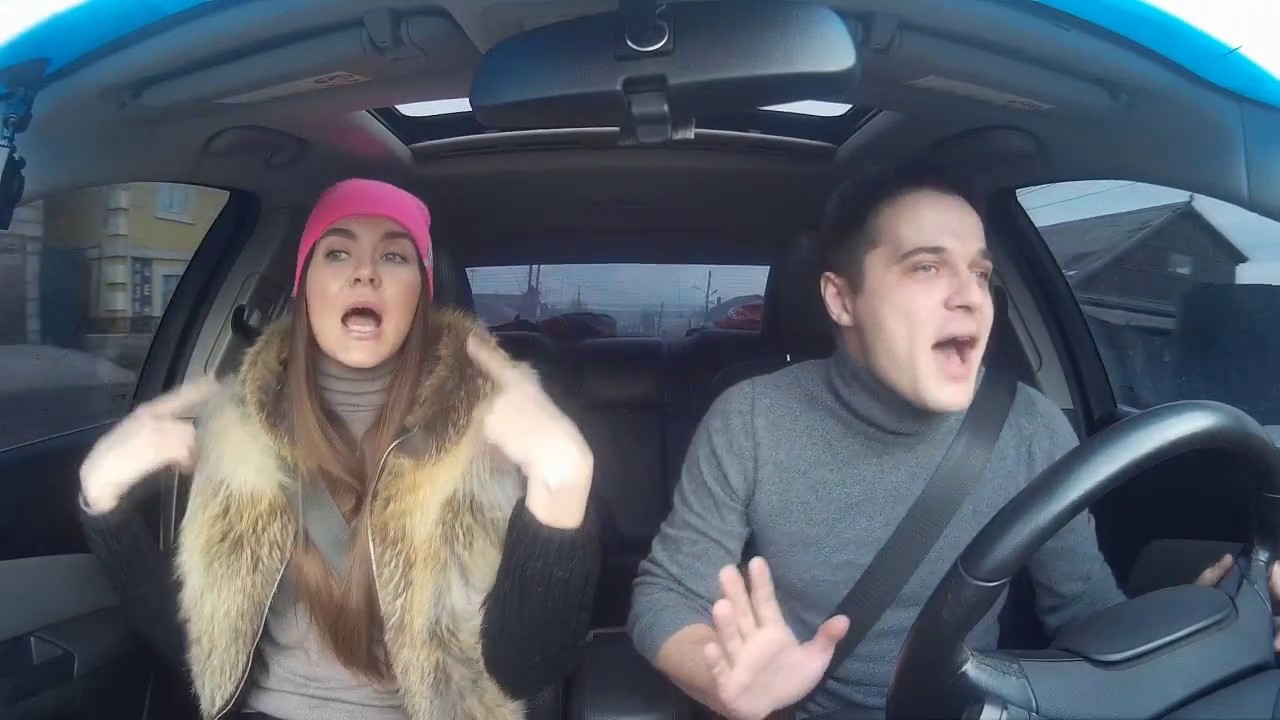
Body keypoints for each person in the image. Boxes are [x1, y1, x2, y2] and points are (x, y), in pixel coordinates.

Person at [627, 165, 1275, 720]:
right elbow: (665, 593)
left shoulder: (1028, 425)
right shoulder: (751, 419)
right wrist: (723, 679)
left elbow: (1084, 615)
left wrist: (1195, 620)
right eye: (926, 266)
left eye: (981, 273)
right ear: (841, 300)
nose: (970, 297)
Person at [78, 178, 600, 720]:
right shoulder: (237, 430)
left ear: (421, 293)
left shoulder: (493, 430)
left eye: (394, 256)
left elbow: (523, 672)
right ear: (304, 286)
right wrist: (104, 505)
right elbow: (206, 656)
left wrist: (563, 492)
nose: (365, 272)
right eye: (337, 252)